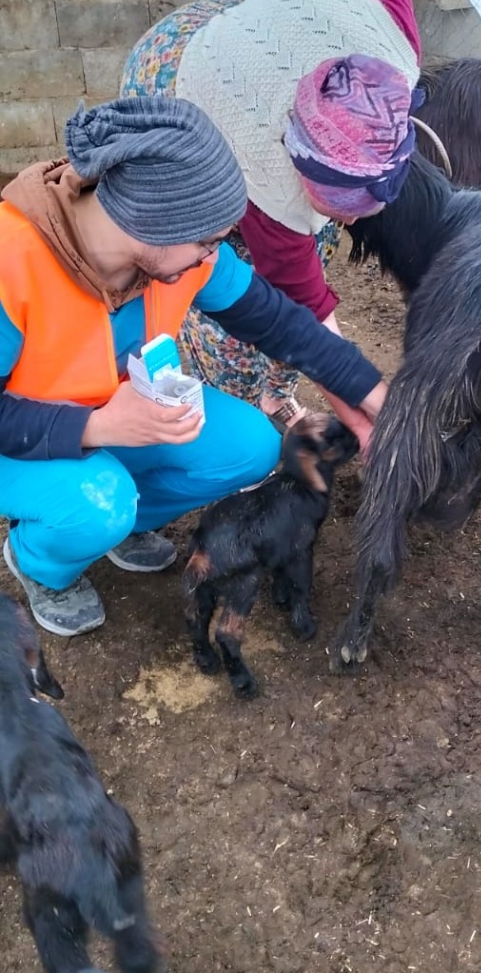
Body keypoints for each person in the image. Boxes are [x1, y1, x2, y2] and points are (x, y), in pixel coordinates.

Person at [0, 97, 387, 638]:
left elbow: (281, 324)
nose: (213, 257)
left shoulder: (175, 255)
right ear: (153, 225)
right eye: (208, 242)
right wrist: (96, 427)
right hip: (21, 441)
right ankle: (41, 562)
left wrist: (377, 398)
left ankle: (124, 523)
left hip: (121, 412)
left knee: (251, 445)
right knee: (99, 506)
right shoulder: (10, 260)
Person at [121, 0, 423, 440]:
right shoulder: (264, 173)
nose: (348, 224)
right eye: (336, 207)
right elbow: (304, 313)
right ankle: (235, 403)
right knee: (224, 277)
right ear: (297, 164)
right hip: (180, 68)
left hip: (271, 29)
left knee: (313, 248)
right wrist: (367, 425)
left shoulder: (391, 67)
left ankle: (275, 392)